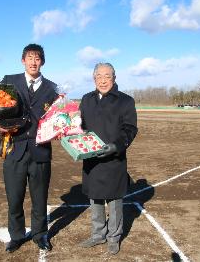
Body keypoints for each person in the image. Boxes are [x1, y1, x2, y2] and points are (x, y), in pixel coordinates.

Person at [0, 44, 58, 253]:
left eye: (37, 58)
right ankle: (16, 235)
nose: (34, 62)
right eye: (30, 58)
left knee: (39, 198)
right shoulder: (9, 81)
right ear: (23, 60)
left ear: (42, 61)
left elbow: (58, 117)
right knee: (14, 198)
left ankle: (40, 234)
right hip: (14, 149)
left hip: (41, 150)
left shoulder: (53, 88)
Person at [78, 62, 137, 255]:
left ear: (114, 78)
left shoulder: (125, 101)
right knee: (95, 198)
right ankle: (98, 235)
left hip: (114, 160)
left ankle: (114, 237)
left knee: (114, 200)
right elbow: (80, 127)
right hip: (92, 159)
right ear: (94, 78)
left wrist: (116, 146)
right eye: (99, 76)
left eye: (107, 76)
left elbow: (130, 128)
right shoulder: (86, 100)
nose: (103, 80)